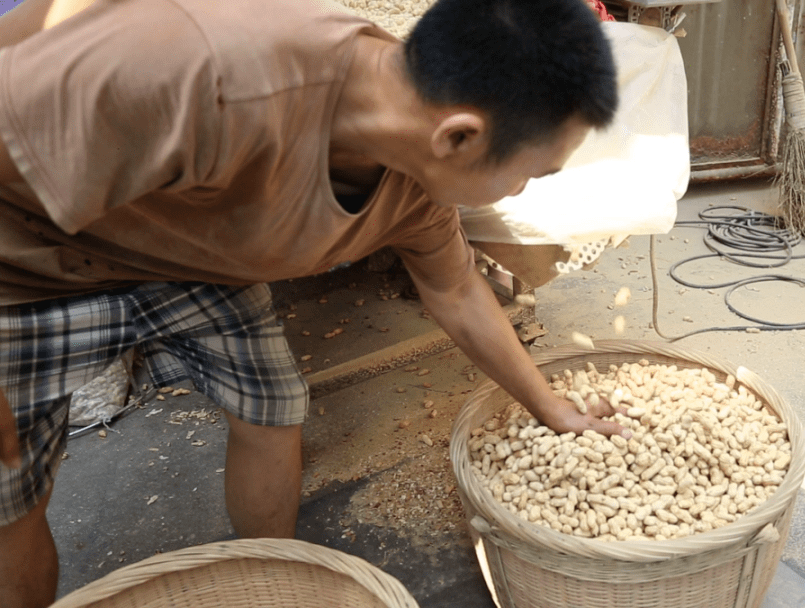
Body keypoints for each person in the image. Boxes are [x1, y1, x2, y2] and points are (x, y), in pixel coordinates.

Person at [0, 0, 626, 605]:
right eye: (531, 174)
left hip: (192, 254)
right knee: (12, 489)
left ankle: (271, 581)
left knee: (272, 407)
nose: (520, 192)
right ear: (459, 135)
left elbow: (455, 289)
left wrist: (549, 405)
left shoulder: (416, 174)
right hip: (32, 264)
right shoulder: (207, 71)